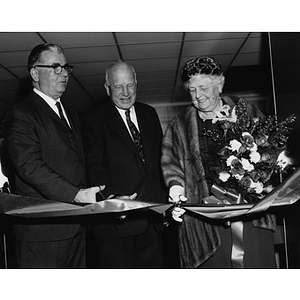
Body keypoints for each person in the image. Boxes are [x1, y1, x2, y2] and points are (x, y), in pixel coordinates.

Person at [161, 56, 277, 268]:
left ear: (220, 84)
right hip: (205, 222)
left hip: (250, 214)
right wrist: (176, 190)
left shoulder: (246, 111)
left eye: (203, 88)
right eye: (192, 90)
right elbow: (171, 164)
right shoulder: (180, 125)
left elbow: (270, 151)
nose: (198, 96)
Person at [3, 43, 102, 268]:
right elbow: (29, 165)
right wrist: (75, 194)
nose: (64, 73)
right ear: (35, 73)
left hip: (76, 226)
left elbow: (76, 162)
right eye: (55, 67)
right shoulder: (20, 114)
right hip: (43, 234)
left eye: (66, 67)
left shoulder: (70, 113)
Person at [82, 61, 167, 268]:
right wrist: (111, 200)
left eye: (130, 85)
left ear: (136, 83)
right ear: (107, 88)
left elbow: (161, 161)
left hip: (153, 220)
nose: (126, 92)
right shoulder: (94, 120)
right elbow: (94, 166)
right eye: (118, 86)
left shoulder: (149, 114)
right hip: (117, 224)